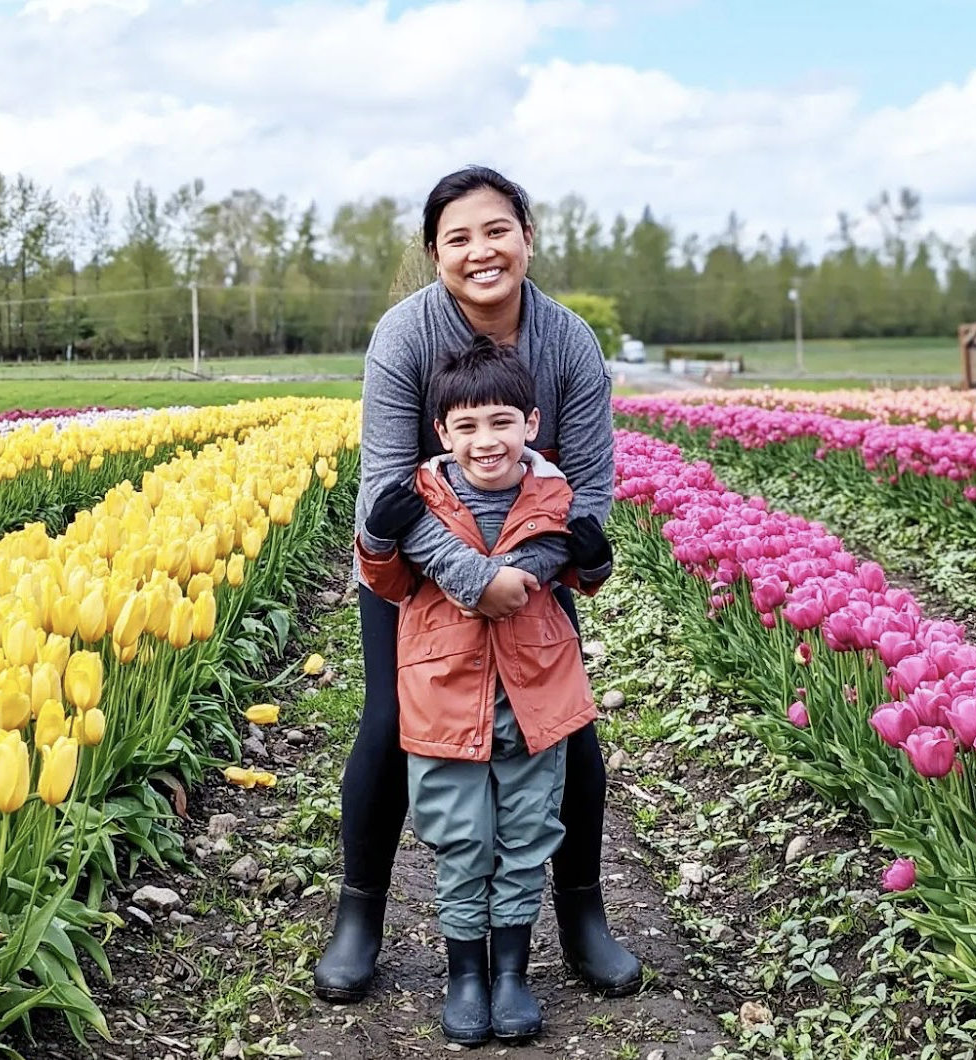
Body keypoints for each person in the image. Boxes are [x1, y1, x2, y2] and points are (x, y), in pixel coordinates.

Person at [314, 165, 641, 1003]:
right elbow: (386, 489)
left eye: (497, 230)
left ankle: (582, 917)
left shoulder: (568, 341)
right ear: (435, 254)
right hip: (415, 574)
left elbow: (591, 488)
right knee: (391, 721)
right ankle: (361, 917)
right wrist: (470, 578)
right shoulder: (405, 334)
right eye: (457, 237)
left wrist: (523, 576)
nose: (481, 250)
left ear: (527, 237)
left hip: (535, 555)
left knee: (562, 725)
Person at [355, 337, 613, 1044]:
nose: (485, 440)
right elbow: (392, 583)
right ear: (442, 433)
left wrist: (592, 559)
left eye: (501, 422)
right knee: (461, 836)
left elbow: (577, 572)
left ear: (530, 423)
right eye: (466, 427)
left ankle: (512, 974)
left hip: (535, 695)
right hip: (445, 693)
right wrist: (378, 543)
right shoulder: (420, 499)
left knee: (528, 833)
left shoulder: (554, 493)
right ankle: (465, 973)